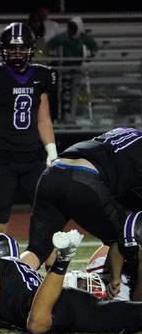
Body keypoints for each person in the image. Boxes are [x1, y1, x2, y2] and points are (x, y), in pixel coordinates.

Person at [21, 127, 142, 299]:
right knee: (123, 236)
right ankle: (115, 282)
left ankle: (6, 290)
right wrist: (115, 278)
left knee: (37, 249)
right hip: (85, 178)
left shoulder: (126, 132)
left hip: (53, 172)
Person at [0, 22, 57, 236]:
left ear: (30, 49)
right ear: (3, 49)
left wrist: (52, 153)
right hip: (2, 157)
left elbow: (44, 120)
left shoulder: (42, 75)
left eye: (22, 48)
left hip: (33, 156)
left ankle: (53, 265)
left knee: (46, 215)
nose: (17, 52)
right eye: (12, 48)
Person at [0, 231, 142, 334]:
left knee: (36, 324)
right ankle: (61, 261)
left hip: (46, 307)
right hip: (66, 302)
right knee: (123, 316)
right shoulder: (17, 270)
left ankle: (63, 260)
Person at [48, 17, 99, 122]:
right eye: (70, 27)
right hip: (64, 69)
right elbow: (49, 45)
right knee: (63, 93)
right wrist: (52, 56)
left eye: (74, 27)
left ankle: (71, 116)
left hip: (77, 69)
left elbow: (94, 48)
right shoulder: (63, 37)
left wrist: (88, 59)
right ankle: (62, 116)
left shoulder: (84, 38)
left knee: (74, 94)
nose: (72, 30)